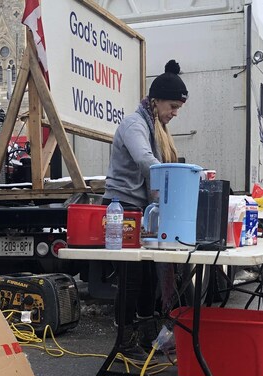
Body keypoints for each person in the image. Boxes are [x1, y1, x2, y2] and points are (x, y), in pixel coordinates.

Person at [103, 59, 188, 359]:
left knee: (148, 276)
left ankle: (144, 333)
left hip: (141, 209)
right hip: (121, 208)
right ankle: (123, 341)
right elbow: (145, 161)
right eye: (172, 107)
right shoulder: (133, 125)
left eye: (178, 108)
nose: (174, 113)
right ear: (155, 101)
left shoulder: (155, 125)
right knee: (131, 277)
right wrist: (176, 185)